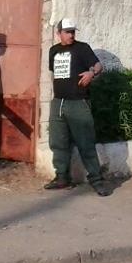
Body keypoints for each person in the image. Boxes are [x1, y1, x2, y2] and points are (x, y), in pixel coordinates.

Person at [45, 18, 111, 196]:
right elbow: (54, 74)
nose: (71, 35)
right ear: (58, 33)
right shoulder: (53, 50)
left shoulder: (82, 48)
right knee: (58, 142)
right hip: (59, 102)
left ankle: (96, 179)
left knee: (86, 142)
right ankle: (62, 177)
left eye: (73, 31)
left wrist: (92, 73)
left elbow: (98, 65)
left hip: (78, 102)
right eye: (67, 31)